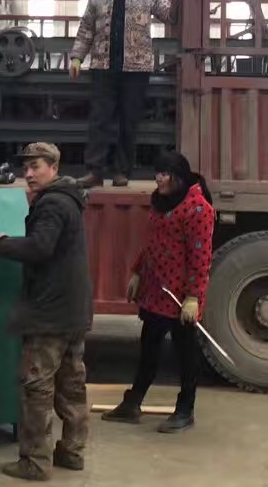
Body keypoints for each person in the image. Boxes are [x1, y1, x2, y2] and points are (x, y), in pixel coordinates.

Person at [0, 142, 93, 481]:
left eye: (36, 167)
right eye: (26, 167)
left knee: (36, 387)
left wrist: (0, 245)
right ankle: (72, 452)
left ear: (54, 168)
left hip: (50, 313)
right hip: (73, 310)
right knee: (72, 385)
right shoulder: (70, 200)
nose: (28, 174)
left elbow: (40, 247)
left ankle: (36, 462)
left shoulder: (52, 203)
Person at [101, 152, 215, 433]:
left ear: (179, 176)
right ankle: (133, 403)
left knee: (186, 354)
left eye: (165, 174)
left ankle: (185, 409)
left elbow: (201, 258)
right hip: (156, 290)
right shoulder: (161, 202)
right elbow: (152, 241)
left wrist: (193, 297)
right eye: (158, 173)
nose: (159, 179)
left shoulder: (198, 210)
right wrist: (138, 272)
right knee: (148, 349)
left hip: (180, 298)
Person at [69, 0, 175, 188]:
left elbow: (171, 15)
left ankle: (121, 171)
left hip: (136, 70)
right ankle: (94, 171)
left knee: (129, 122)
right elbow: (86, 28)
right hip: (103, 68)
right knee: (99, 120)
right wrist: (77, 57)